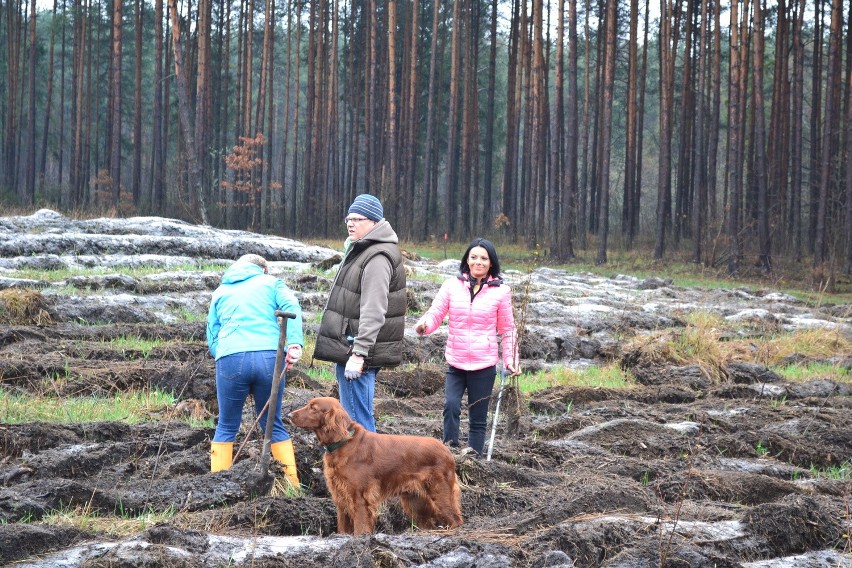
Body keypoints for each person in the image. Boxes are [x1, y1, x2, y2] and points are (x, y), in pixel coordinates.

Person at [414, 238, 520, 456]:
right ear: (467, 260)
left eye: (483, 258)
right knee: (451, 406)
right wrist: (425, 324)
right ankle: (448, 453)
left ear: (491, 263)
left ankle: (474, 458)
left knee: (478, 417)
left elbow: (508, 329)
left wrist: (511, 360)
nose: (478, 262)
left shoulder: (501, 292)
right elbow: (436, 312)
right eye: (473, 257)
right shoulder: (451, 286)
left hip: (484, 364)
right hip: (456, 361)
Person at [206, 253, 304, 485]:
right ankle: (292, 485)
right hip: (269, 358)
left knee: (227, 425)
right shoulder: (272, 283)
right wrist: (295, 343)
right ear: (263, 270)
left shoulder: (220, 291)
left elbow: (212, 331)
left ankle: (217, 486)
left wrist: (222, 351)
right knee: (274, 423)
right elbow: (292, 306)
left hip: (230, 358)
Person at [313, 194, 407, 432]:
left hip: (356, 351)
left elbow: (374, 309)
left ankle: (366, 468)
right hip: (352, 347)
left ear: (375, 222)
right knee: (355, 418)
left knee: (356, 424)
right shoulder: (364, 250)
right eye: (348, 218)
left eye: (358, 219)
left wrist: (359, 353)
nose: (350, 223)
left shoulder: (376, 256)